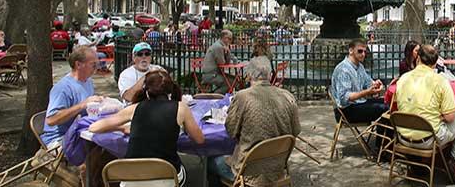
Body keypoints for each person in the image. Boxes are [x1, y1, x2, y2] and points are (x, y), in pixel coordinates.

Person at [89, 70, 204, 186]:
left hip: (131, 179)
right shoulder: (181, 108)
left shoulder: (134, 108)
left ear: (147, 92)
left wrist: (121, 128)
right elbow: (199, 139)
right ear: (170, 91)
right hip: (166, 176)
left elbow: (94, 127)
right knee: (187, 170)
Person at [208, 57, 300, 186]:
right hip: (278, 166)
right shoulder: (287, 96)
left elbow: (231, 130)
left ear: (249, 75)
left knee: (211, 161)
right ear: (269, 74)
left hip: (249, 171)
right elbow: (296, 130)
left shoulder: (242, 97)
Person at [395, 44, 455, 183]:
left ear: (417, 58)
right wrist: (439, 116)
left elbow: (402, 106)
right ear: (436, 62)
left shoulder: (403, 79)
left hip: (402, 136)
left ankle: (416, 163)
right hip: (429, 139)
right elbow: (450, 117)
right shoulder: (441, 81)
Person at [40, 46, 103, 146]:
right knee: (100, 148)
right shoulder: (63, 88)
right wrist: (82, 105)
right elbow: (51, 120)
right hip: (59, 139)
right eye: (93, 65)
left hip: (80, 133)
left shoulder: (87, 81)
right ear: (78, 64)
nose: (96, 68)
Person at [329, 39, 387, 123]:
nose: (363, 54)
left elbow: (368, 83)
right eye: (360, 51)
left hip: (358, 103)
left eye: (365, 52)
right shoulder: (343, 69)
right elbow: (344, 98)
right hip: (345, 110)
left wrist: (376, 84)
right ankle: (382, 135)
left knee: (387, 103)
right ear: (351, 51)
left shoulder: (360, 67)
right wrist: (367, 92)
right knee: (384, 109)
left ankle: (382, 134)